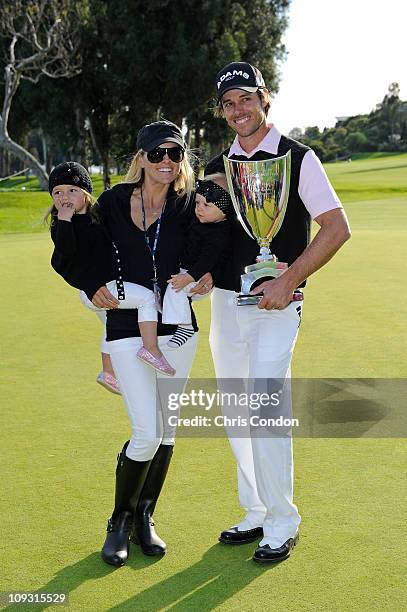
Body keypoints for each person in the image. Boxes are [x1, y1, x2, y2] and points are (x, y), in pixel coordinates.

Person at [205, 62, 351, 563]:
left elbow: (336, 227)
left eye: (246, 98)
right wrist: (200, 273)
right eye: (228, 103)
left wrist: (289, 280)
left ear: (265, 99)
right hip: (227, 305)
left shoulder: (299, 157)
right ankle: (257, 509)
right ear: (222, 112)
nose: (238, 110)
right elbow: (211, 238)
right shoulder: (217, 165)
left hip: (277, 304)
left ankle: (283, 519)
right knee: (236, 412)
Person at [90, 120, 207, 567]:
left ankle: (144, 517)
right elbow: (81, 251)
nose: (165, 162)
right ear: (139, 157)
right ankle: (118, 521)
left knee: (168, 430)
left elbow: (210, 246)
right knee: (147, 431)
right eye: (156, 153)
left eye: (174, 154)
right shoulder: (113, 203)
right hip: (124, 326)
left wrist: (207, 274)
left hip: (176, 330)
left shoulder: (187, 205)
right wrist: (85, 282)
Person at [47, 161, 177, 378]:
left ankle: (109, 373)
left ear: (86, 194)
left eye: (72, 190)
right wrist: (64, 220)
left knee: (112, 325)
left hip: (110, 286)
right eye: (57, 192)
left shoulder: (98, 217)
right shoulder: (62, 225)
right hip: (99, 289)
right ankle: (151, 349)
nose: (65, 197)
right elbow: (64, 254)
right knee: (146, 299)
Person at [164, 174, 232, 347]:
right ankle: (177, 318)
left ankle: (186, 326)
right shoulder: (198, 221)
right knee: (171, 289)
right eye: (197, 203)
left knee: (175, 289)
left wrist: (189, 277)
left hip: (199, 276)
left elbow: (207, 260)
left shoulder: (219, 233)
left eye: (206, 205)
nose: (199, 209)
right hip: (188, 271)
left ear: (225, 209)